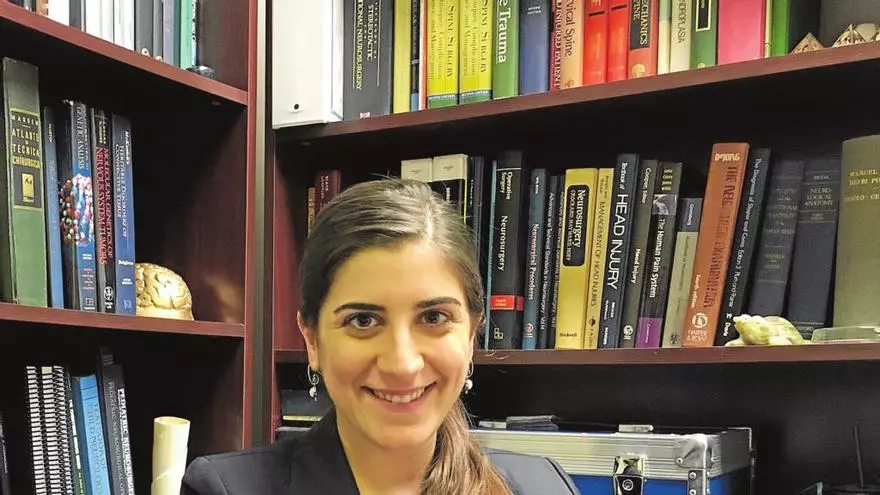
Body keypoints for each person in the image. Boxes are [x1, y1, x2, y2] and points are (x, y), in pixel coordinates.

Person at [181, 178, 580, 495]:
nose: (402, 364)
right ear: (312, 340)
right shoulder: (227, 489)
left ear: (473, 333)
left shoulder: (544, 486)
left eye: (434, 317)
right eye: (363, 321)